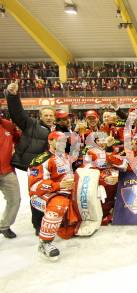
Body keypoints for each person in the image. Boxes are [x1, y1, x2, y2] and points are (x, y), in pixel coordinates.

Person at [6, 82, 55, 235]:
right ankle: (38, 225)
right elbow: (17, 113)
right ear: (40, 117)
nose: (48, 117)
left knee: (48, 192)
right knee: (37, 194)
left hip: (47, 168)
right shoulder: (31, 124)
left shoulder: (55, 129)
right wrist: (12, 96)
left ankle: (47, 218)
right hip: (33, 168)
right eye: (45, 115)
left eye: (50, 115)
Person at [28, 131, 74, 260]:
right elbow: (35, 186)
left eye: (64, 141)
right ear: (50, 141)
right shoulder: (41, 159)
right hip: (42, 195)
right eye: (59, 140)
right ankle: (45, 243)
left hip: (64, 191)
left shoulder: (65, 156)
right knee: (59, 205)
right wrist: (59, 186)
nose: (62, 143)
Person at [0, 116, 21, 238]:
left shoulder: (7, 125)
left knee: (14, 200)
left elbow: (19, 140)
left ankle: (4, 226)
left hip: (7, 171)